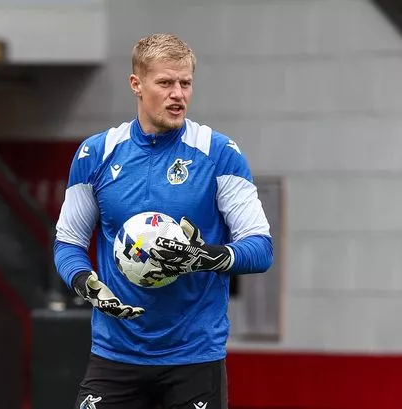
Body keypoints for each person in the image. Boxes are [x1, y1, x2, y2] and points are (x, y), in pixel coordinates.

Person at [54, 33, 273, 409]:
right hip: (115, 353)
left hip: (194, 356)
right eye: (166, 83)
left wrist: (203, 256)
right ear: (136, 85)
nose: (178, 94)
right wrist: (87, 285)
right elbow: (68, 243)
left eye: (185, 83)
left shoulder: (219, 154)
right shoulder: (96, 153)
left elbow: (260, 247)